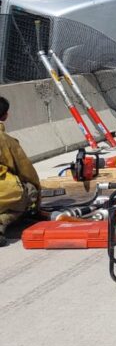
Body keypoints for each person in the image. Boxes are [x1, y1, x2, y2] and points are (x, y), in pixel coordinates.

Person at [0, 96, 41, 247]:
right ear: (5, 116)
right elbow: (27, 173)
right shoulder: (6, 140)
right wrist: (37, 200)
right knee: (29, 191)